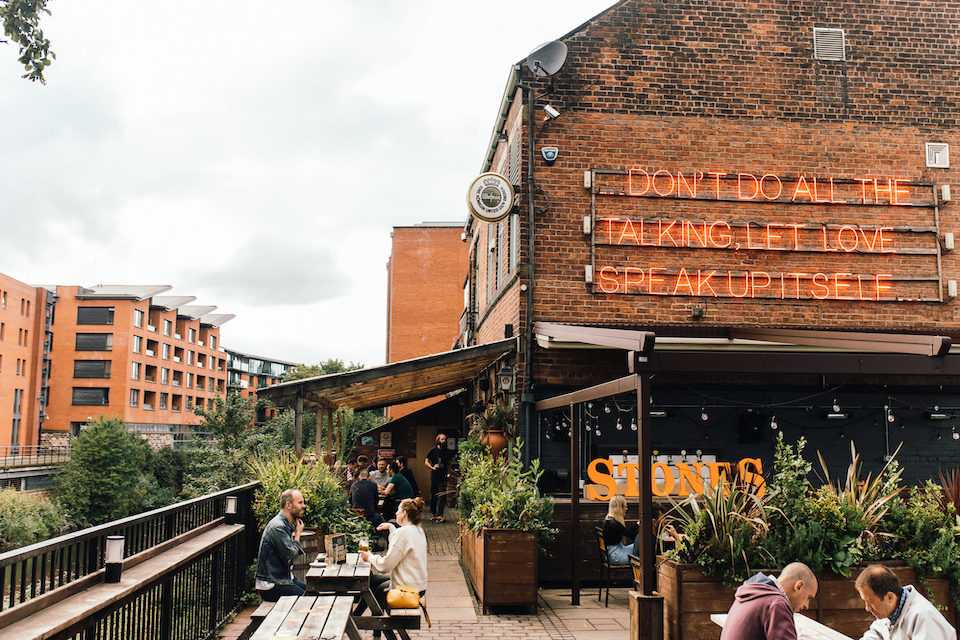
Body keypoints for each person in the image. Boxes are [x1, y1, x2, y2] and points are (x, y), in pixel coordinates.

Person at [357, 497, 428, 636]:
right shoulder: (417, 531)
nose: (396, 513)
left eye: (398, 510)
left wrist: (369, 556)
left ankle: (357, 620)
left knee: (374, 590)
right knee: (374, 580)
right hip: (418, 586)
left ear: (404, 513)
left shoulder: (403, 533)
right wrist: (391, 528)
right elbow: (401, 545)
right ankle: (363, 622)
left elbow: (385, 565)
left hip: (407, 591)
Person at [855, 564, 956, 640]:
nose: (867, 608)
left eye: (870, 602)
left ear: (890, 597)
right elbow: (874, 635)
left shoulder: (923, 616)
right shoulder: (887, 613)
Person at [719, 562, 818, 640]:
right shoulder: (776, 604)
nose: (807, 606)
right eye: (809, 598)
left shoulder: (753, 592)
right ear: (799, 586)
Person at [255, 488, 307, 602]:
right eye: (300, 503)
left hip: (283, 579)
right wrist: (298, 534)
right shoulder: (278, 527)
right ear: (288, 505)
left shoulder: (284, 523)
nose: (303, 506)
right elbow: (291, 557)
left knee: (313, 594)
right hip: (272, 585)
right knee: (309, 601)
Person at [602, 494, 638, 565]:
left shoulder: (609, 520)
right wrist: (638, 526)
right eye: (625, 506)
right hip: (615, 556)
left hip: (614, 552)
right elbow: (631, 536)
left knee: (639, 547)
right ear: (619, 508)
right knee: (641, 549)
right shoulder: (614, 523)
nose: (626, 509)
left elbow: (627, 532)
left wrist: (637, 525)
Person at [424, 434, 451, 522]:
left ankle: (440, 515)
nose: (444, 441)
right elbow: (426, 461)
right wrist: (432, 467)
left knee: (442, 495)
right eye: (442, 439)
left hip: (443, 476)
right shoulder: (432, 451)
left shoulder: (447, 451)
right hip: (435, 475)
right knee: (434, 495)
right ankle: (433, 513)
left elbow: (449, 463)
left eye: (445, 439)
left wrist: (449, 472)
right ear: (438, 440)